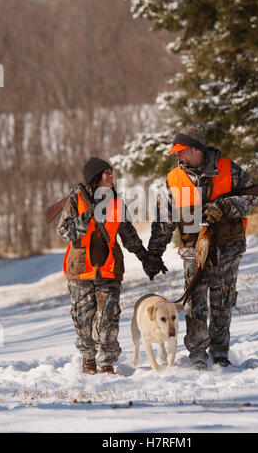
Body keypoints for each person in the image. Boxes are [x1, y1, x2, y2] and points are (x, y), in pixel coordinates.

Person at [143, 125, 258, 370]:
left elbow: (252, 197)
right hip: (193, 250)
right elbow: (164, 219)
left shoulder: (228, 168)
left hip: (228, 247)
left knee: (223, 300)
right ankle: (197, 352)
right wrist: (154, 253)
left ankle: (220, 352)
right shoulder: (174, 178)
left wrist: (225, 207)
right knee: (195, 303)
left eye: (181, 151)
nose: (178, 156)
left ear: (197, 150)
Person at [57, 157, 150, 375]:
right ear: (95, 177)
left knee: (109, 317)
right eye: (107, 173)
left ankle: (107, 362)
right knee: (83, 319)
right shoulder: (76, 200)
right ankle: (88, 358)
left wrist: (147, 258)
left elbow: (129, 235)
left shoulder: (117, 202)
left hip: (109, 268)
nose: (112, 176)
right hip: (80, 270)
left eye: (112, 172)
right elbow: (64, 232)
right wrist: (88, 216)